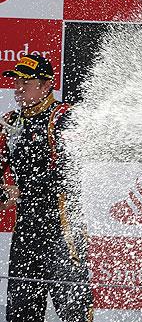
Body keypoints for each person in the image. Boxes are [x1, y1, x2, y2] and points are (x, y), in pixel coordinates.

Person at [0, 55, 93, 321]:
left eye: (26, 82)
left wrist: (21, 190)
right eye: (16, 82)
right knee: (20, 313)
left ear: (46, 86)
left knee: (73, 310)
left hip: (61, 228)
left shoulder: (64, 116)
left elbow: (67, 172)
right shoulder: (9, 122)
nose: (18, 88)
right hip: (27, 229)